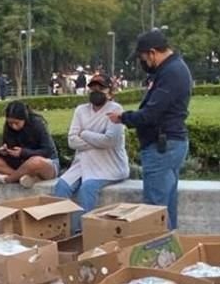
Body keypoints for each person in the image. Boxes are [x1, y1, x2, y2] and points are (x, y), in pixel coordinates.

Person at [107, 29, 192, 229]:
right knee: (166, 207)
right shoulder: (173, 69)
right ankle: (170, 253)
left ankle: (158, 254)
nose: (142, 62)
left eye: (142, 57)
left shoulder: (171, 73)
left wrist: (123, 117)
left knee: (154, 210)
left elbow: (151, 114)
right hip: (170, 143)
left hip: (162, 145)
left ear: (152, 53)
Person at [55, 74, 129, 232]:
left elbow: (110, 141)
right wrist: (97, 141)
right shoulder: (81, 110)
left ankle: (80, 233)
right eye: (93, 88)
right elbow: (71, 141)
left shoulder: (116, 110)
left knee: (87, 188)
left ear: (109, 91)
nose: (96, 91)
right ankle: (61, 232)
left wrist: (85, 134)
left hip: (108, 165)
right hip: (83, 162)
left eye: (100, 88)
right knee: (61, 186)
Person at [0, 101, 58, 188]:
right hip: (19, 164)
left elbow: (48, 151)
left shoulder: (37, 124)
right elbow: (8, 148)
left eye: (17, 123)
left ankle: (8, 179)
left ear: (24, 119)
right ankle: (26, 178)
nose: (13, 126)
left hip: (44, 163)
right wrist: (3, 152)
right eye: (10, 123)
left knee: (35, 162)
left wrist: (23, 152)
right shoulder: (8, 127)